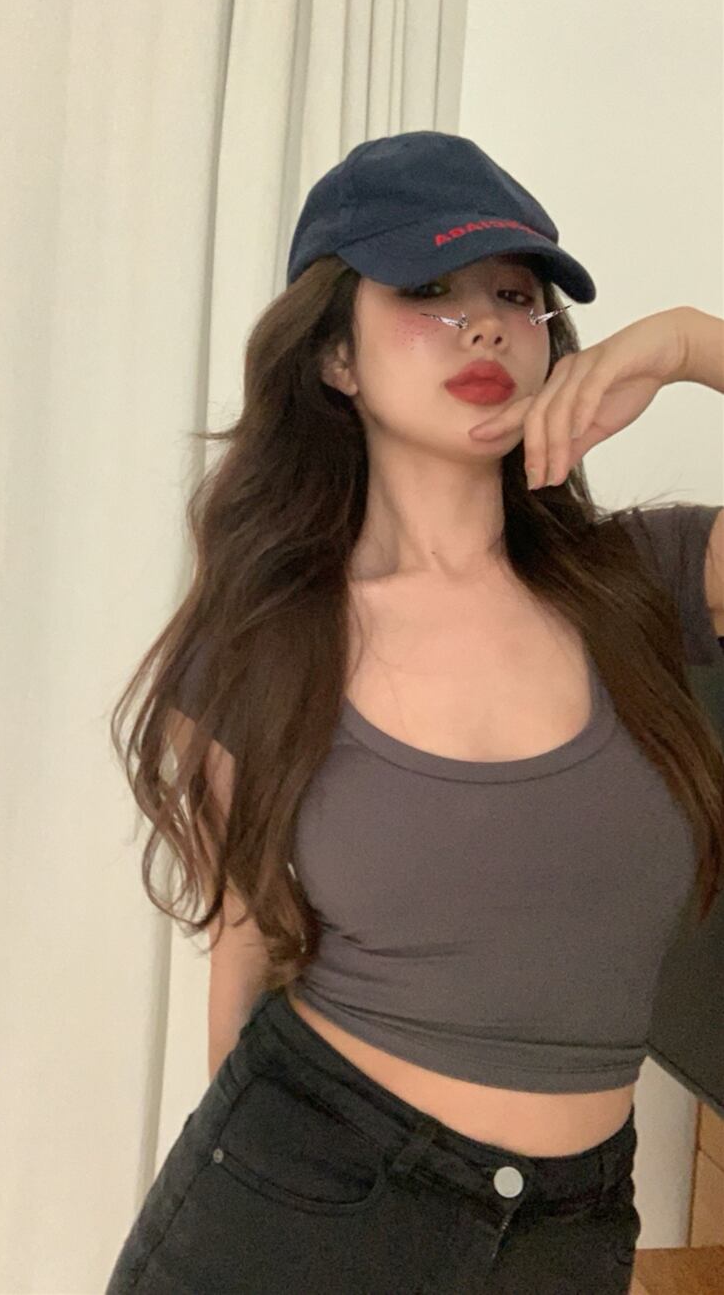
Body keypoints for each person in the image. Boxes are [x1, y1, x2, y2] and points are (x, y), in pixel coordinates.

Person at [105, 131, 723, 1293]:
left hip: (571, 1232)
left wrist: (691, 343)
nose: (484, 325)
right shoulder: (271, 632)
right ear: (336, 355)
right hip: (306, 1201)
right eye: (429, 290)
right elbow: (248, 940)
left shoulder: (645, 580)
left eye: (516, 295)